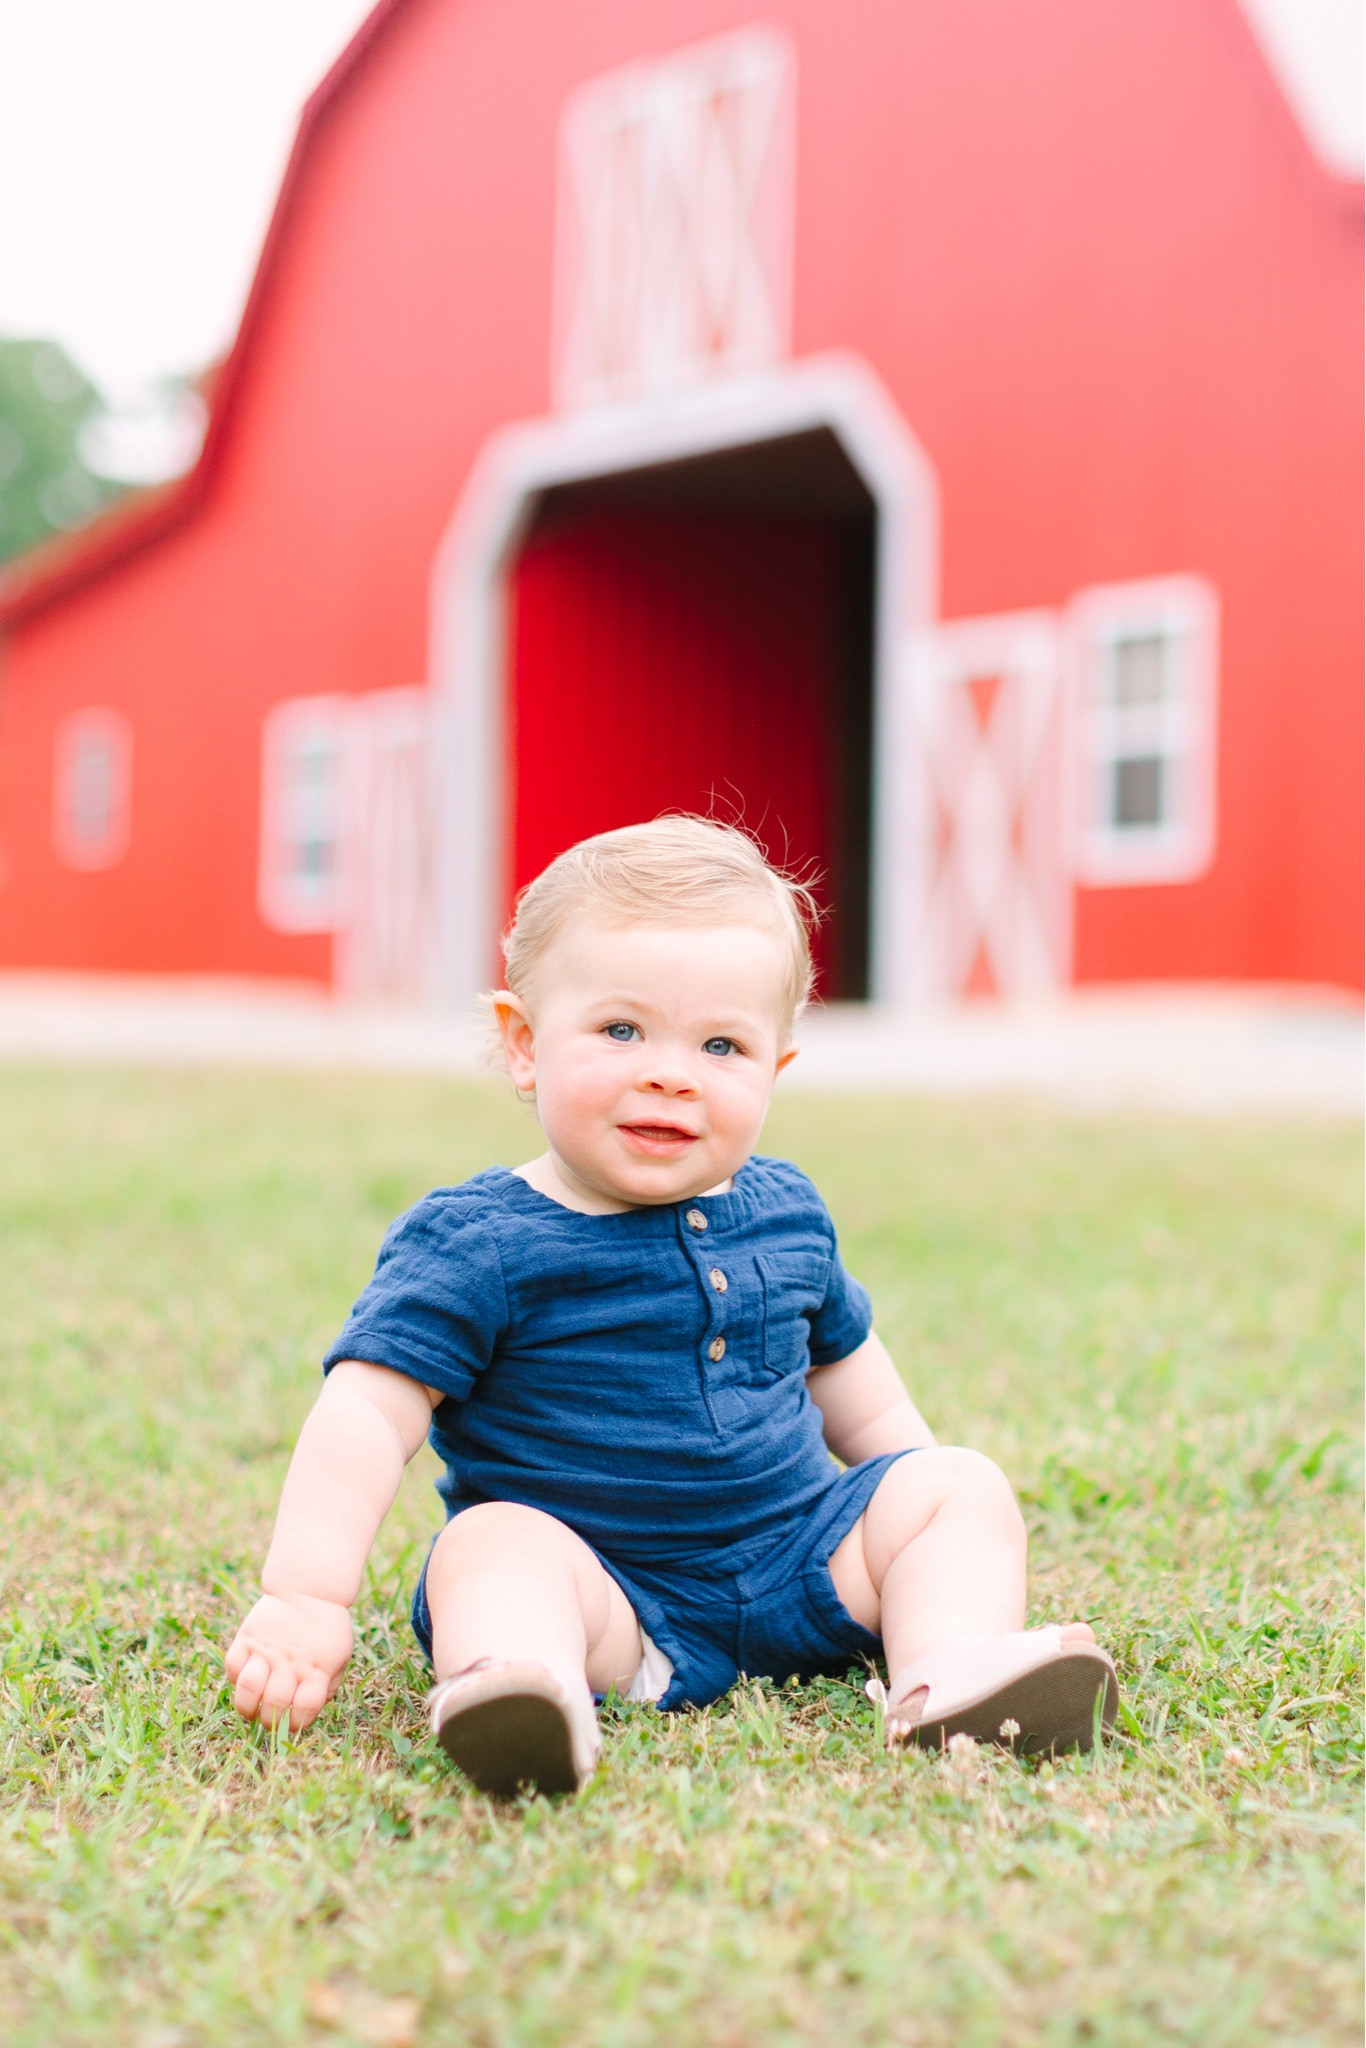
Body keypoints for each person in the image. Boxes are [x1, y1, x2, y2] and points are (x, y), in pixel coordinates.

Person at [226, 817, 1117, 1794]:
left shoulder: (786, 1210)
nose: (670, 1072)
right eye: (621, 1030)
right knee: (491, 1546)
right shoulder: (479, 1240)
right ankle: (528, 1687)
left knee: (957, 1481)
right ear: (524, 1045)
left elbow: (855, 1383)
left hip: (803, 1569)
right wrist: (308, 1595)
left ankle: (948, 1669)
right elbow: (366, 1413)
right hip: (608, 1599)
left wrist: (916, 1512)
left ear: (773, 1071)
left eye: (722, 1044)